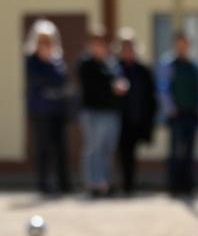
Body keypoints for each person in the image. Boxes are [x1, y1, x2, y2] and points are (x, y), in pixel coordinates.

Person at [78, 28, 128, 197]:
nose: (98, 47)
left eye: (101, 43)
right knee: (94, 148)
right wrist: (111, 87)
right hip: (93, 113)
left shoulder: (111, 64)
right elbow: (94, 87)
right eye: (95, 43)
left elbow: (120, 80)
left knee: (108, 149)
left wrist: (120, 86)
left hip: (111, 112)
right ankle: (93, 184)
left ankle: (106, 183)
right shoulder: (86, 64)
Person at [25, 19, 70, 196]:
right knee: (43, 147)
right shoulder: (31, 61)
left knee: (60, 147)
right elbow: (38, 82)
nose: (46, 45)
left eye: (48, 41)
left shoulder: (57, 61)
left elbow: (62, 81)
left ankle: (64, 183)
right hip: (40, 111)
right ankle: (44, 183)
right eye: (42, 41)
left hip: (57, 110)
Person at [158, 33, 198, 197]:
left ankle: (189, 186)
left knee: (190, 152)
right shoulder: (168, 64)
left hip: (192, 114)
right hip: (176, 115)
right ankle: (174, 187)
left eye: (184, 43)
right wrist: (170, 108)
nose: (181, 46)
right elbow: (163, 89)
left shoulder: (195, 66)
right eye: (178, 43)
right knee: (176, 152)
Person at [116, 28, 157, 196]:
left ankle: (129, 185)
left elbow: (150, 96)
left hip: (137, 117)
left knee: (131, 152)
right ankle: (118, 184)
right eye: (124, 47)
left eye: (130, 47)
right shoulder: (114, 68)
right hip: (118, 118)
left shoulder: (143, 70)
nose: (127, 51)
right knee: (121, 152)